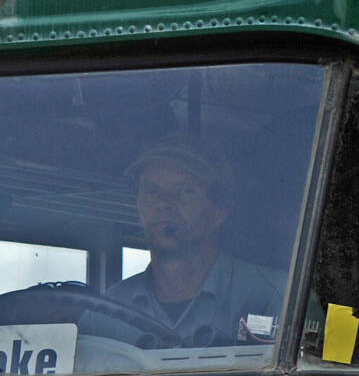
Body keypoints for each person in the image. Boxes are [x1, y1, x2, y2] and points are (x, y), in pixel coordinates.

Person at [104, 139, 286, 347]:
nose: (164, 203)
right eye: (151, 191)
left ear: (219, 211)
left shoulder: (277, 296)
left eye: (185, 191)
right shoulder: (106, 310)